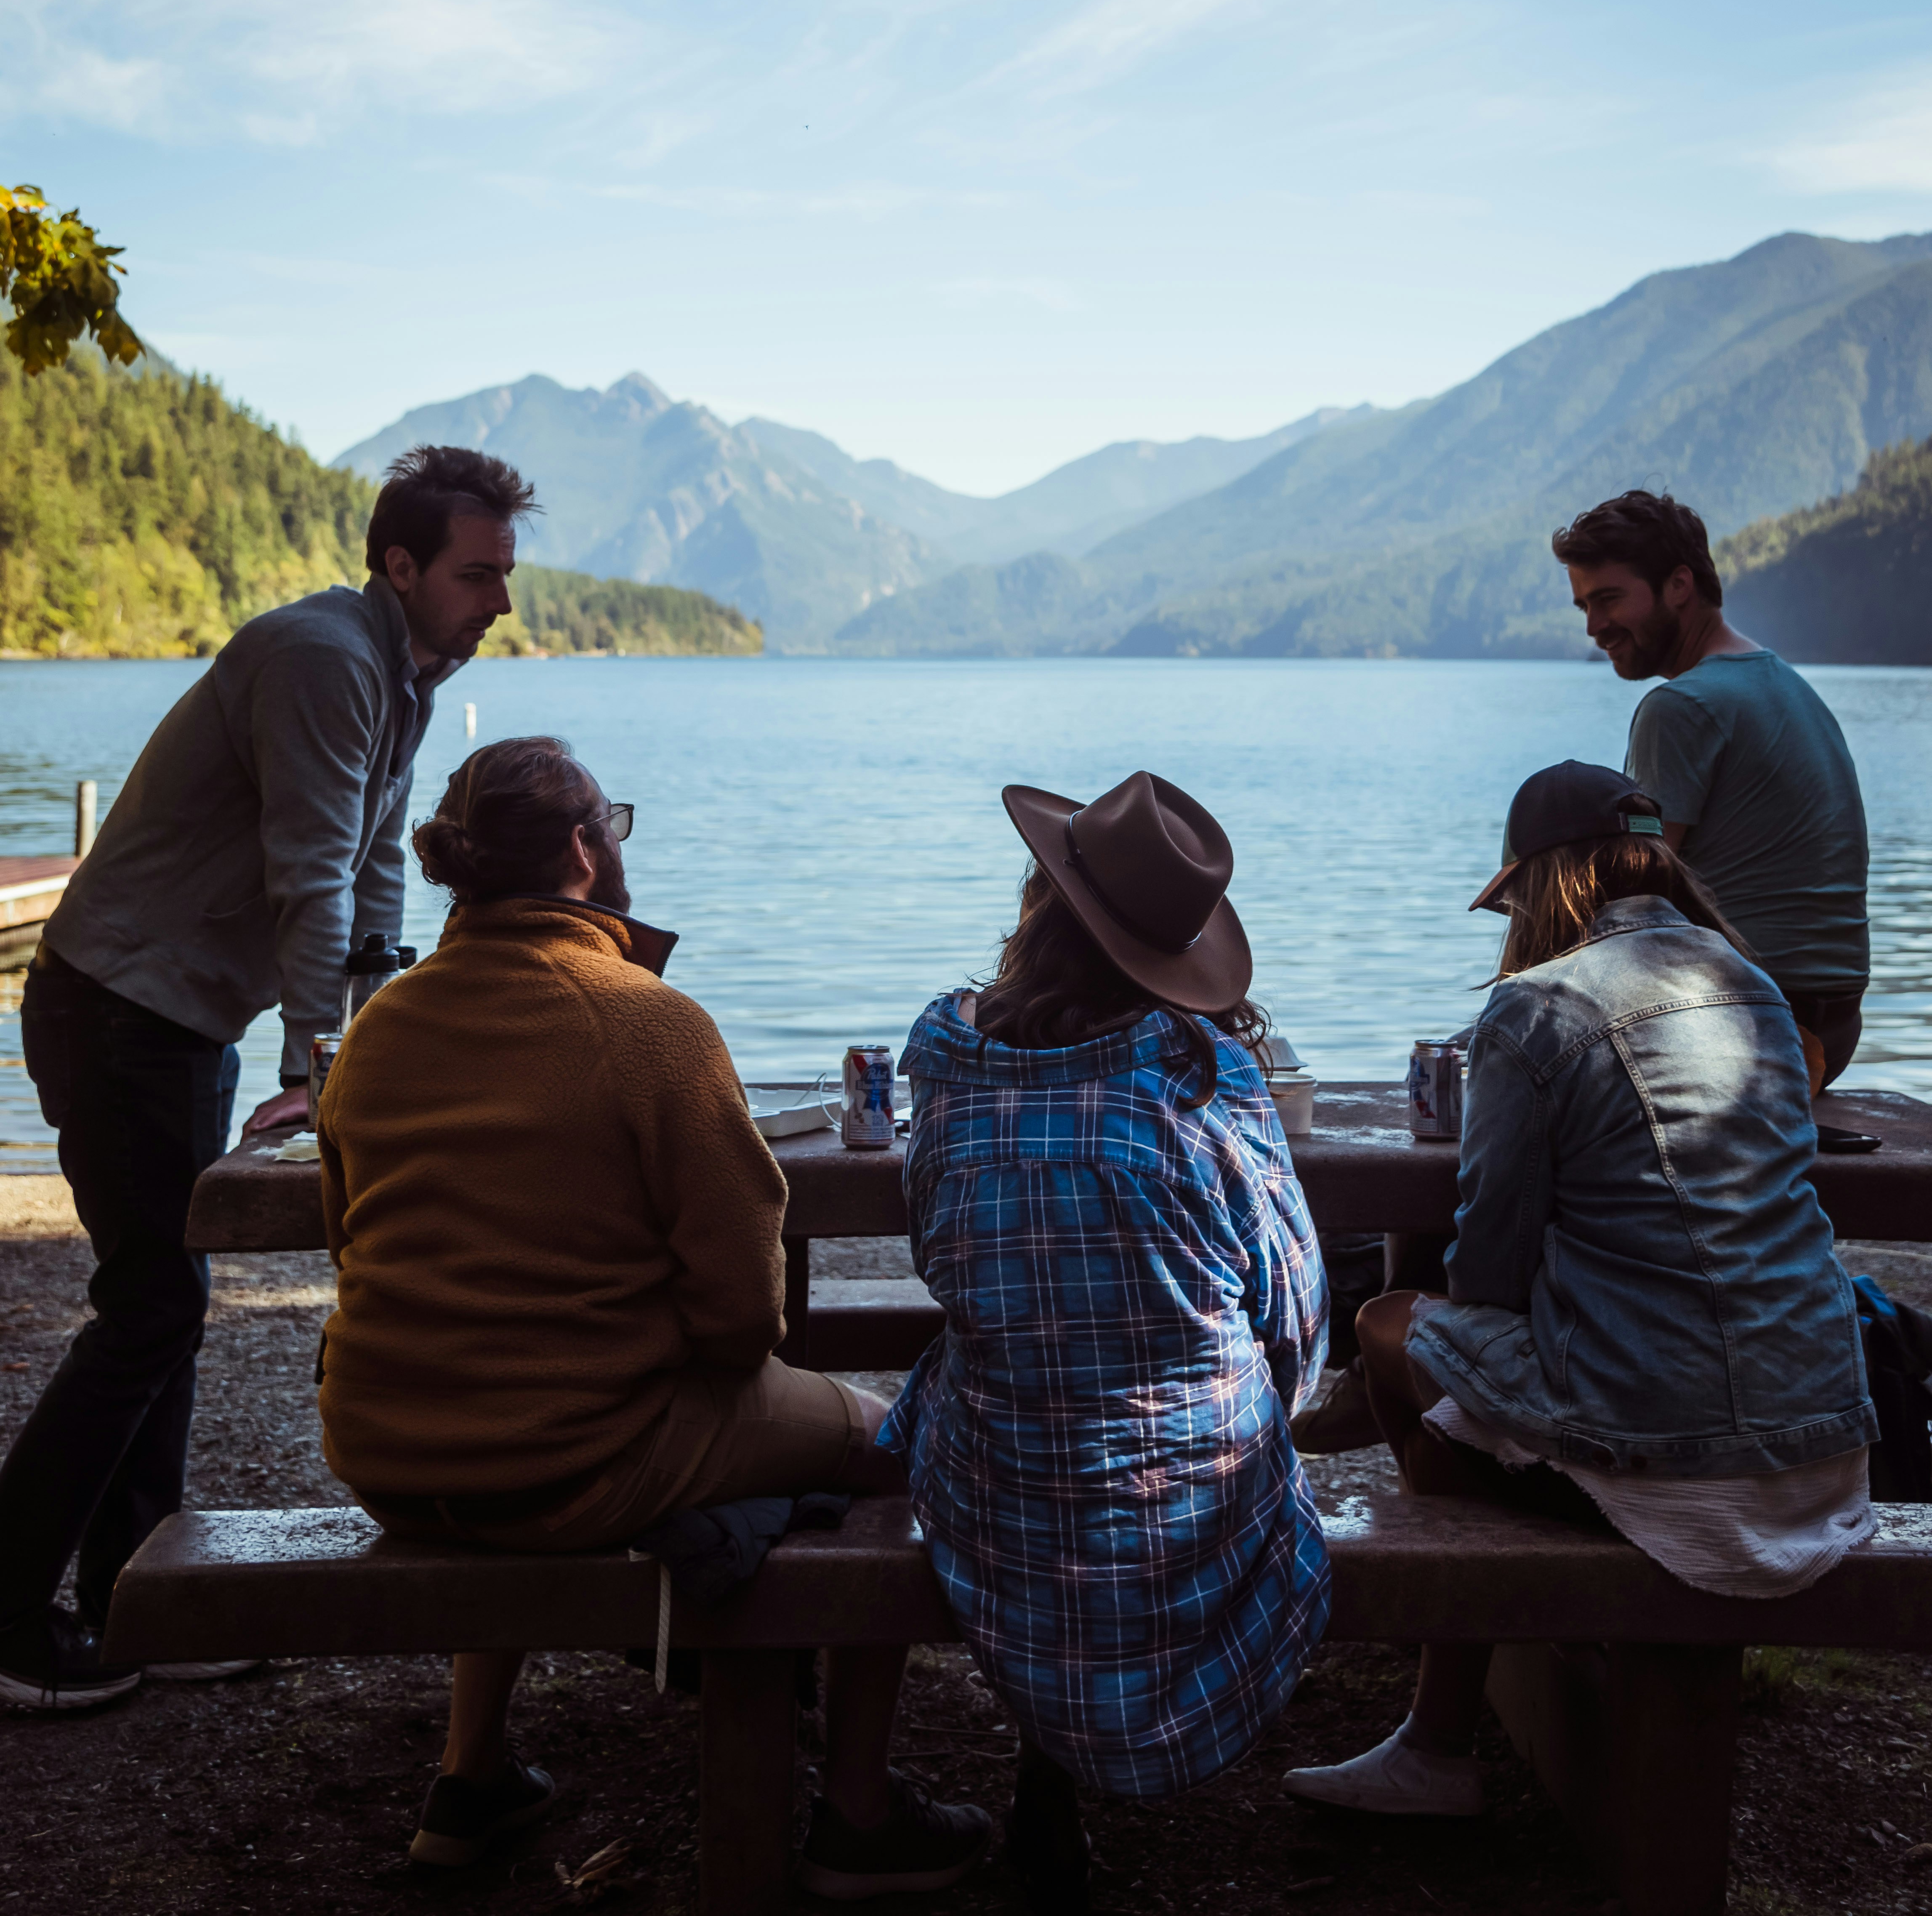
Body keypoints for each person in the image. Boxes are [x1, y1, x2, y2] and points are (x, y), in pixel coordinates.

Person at [315, 733, 990, 1895]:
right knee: (894, 1440)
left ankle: (468, 1777)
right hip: (571, 1455)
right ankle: (859, 1816)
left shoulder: (380, 1025)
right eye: (610, 821)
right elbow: (742, 1317)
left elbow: (349, 1238)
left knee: (517, 1385)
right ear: (584, 847)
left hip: (384, 1442)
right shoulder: (646, 1023)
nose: (618, 842)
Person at [0, 443, 532, 1715]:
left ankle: (139, 1597)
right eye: (476, 574)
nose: (499, 602)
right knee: (150, 1304)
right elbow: (308, 870)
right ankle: (12, 1615)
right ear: (399, 565)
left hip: (172, 1015)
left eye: (504, 573)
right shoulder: (321, 659)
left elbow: (370, 881)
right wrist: (318, 1065)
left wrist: (372, 1043)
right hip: (121, 1006)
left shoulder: (398, 672)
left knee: (164, 1303)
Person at [1283, 760, 1876, 1821]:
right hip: (1825, 1441)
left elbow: (1490, 1275)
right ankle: (1509, 1640)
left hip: (1692, 1466)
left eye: (1509, 900)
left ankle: (1441, 1726)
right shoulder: (1758, 986)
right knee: (1500, 1357)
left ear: (1542, 884)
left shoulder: (1536, 1007)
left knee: (1389, 1326)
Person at [884, 772, 1331, 1910]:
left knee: (975, 1391)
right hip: (1197, 1509)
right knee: (1184, 1410)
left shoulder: (942, 1063)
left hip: (1003, 1494)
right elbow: (1296, 1314)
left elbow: (940, 1262)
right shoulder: (1207, 1081)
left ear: (1039, 902)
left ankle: (1044, 1753)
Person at [1554, 486, 1869, 1086]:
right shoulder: (1785, 685)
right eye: (1583, 607)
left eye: (1609, 599)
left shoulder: (1681, 706)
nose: (1595, 627)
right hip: (1833, 1025)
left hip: (1750, 1027)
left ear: (1679, 585)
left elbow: (1633, 898)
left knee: (1513, 1035)